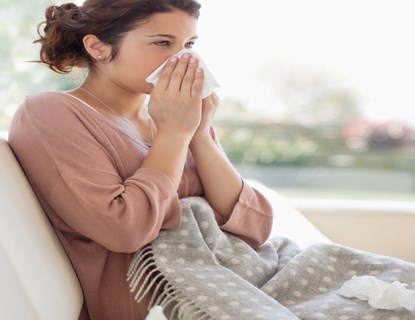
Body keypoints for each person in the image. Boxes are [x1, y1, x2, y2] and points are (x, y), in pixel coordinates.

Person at [8, 0, 273, 319]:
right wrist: (174, 134)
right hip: (162, 303)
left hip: (239, 281)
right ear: (98, 47)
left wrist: (199, 134)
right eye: (163, 42)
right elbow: (125, 230)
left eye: (189, 45)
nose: (184, 59)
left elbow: (255, 227)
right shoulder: (51, 113)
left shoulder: (174, 115)